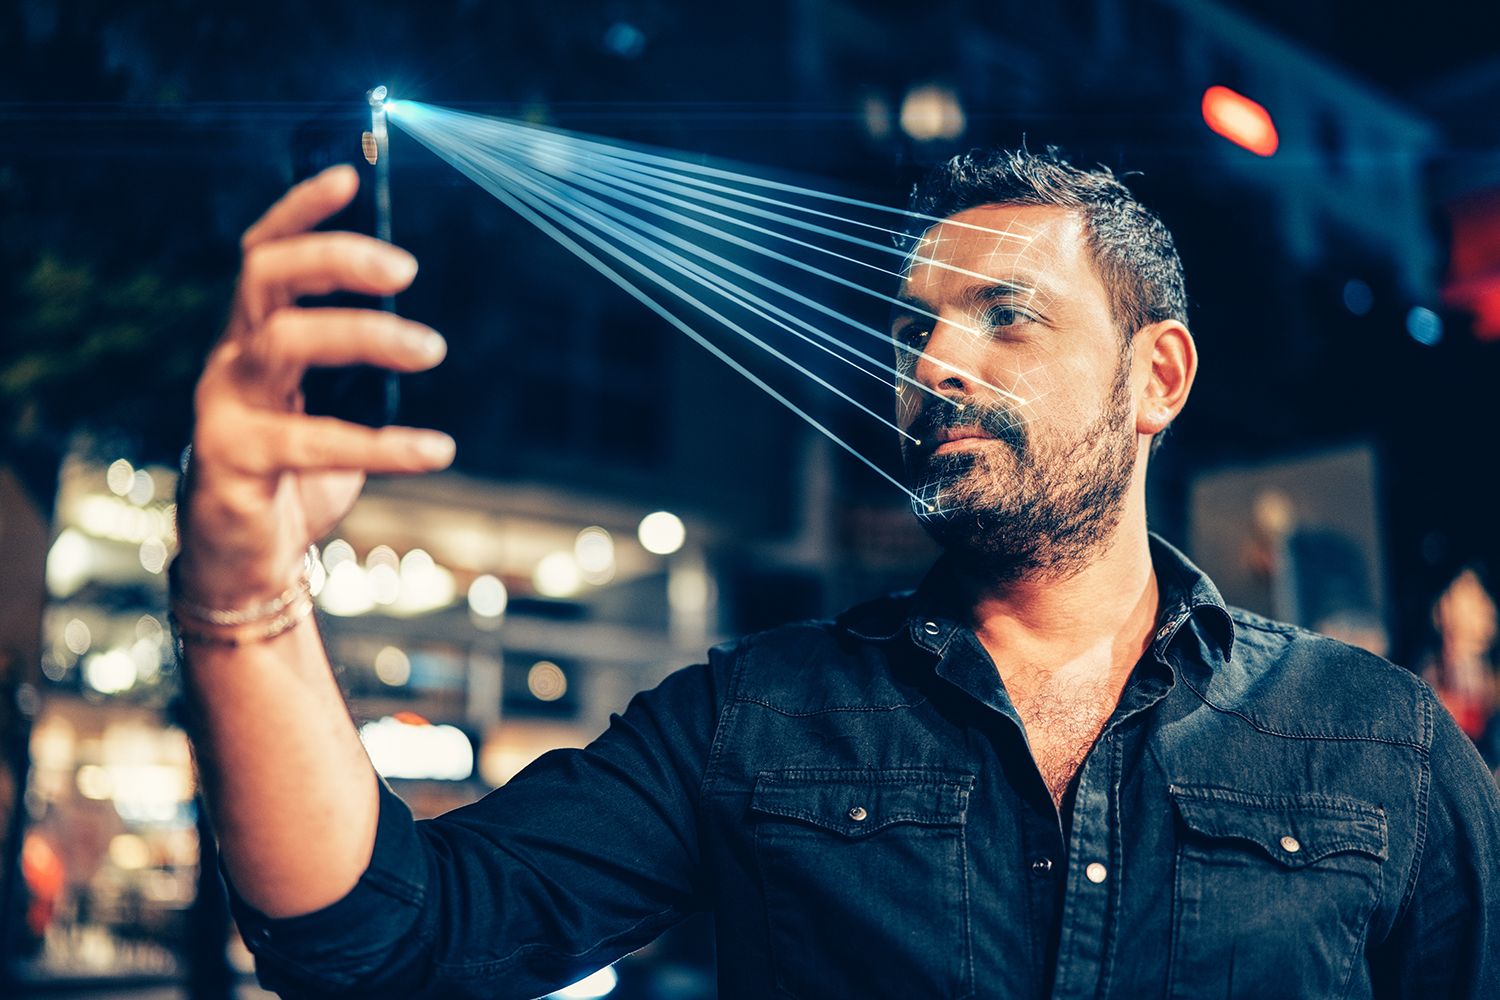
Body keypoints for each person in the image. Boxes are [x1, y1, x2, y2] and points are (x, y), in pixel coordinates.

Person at [174, 148, 1500, 999]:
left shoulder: (1376, 740)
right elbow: (380, 939)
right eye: (917, 327)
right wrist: (240, 599)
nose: (934, 365)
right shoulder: (754, 720)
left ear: (1156, 377)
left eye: (1005, 316)